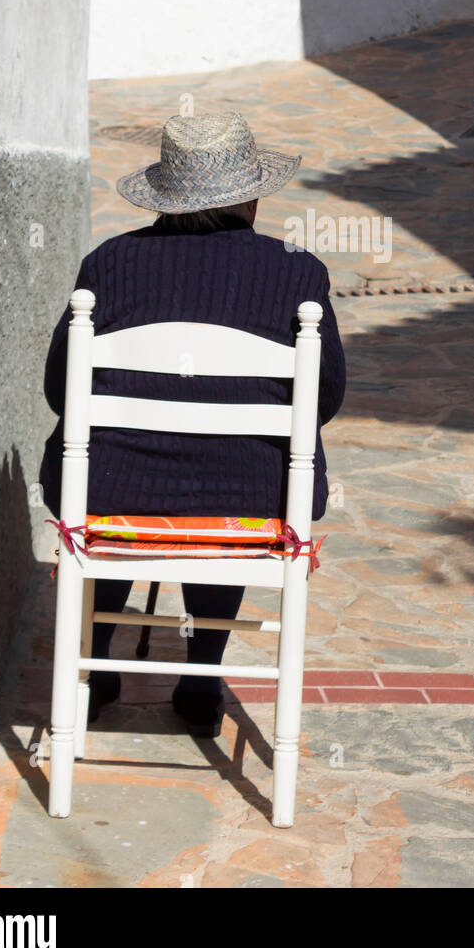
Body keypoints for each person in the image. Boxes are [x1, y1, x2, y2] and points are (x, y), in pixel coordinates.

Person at [40, 110, 345, 736]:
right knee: (236, 470)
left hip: (113, 491)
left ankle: (97, 677)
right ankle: (202, 675)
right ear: (252, 197)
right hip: (254, 496)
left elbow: (57, 388)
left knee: (113, 466)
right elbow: (327, 398)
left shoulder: (109, 265)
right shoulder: (298, 272)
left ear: (165, 195)